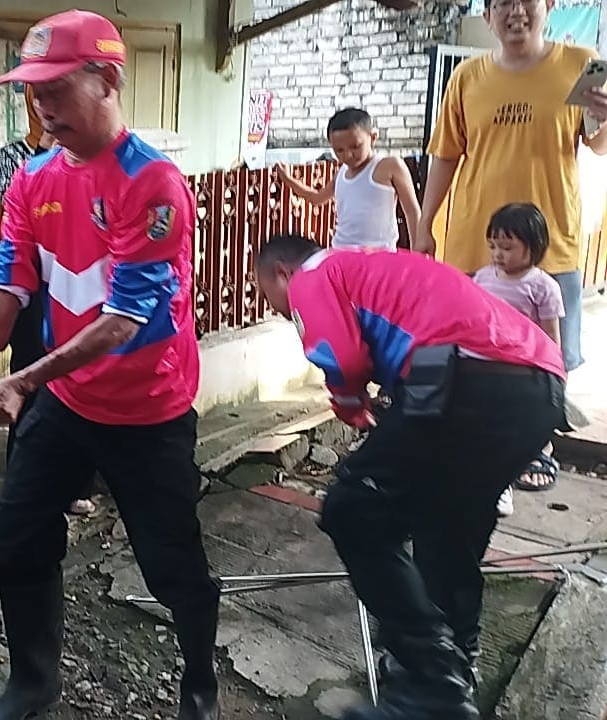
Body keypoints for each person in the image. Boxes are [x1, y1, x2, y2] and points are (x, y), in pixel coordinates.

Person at [0, 11, 221, 720]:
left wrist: (23, 379)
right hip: (68, 403)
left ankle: (199, 685)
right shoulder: (33, 180)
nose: (41, 107)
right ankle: (34, 680)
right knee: (17, 539)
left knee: (171, 567)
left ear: (107, 80)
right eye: (32, 93)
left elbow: (123, 321)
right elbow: (10, 283)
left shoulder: (152, 184)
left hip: (148, 409)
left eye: (56, 90)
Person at [255, 235, 566, 720]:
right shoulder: (373, 264)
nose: (281, 313)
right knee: (447, 533)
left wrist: (350, 405)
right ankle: (455, 673)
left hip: (471, 378)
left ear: (281, 274)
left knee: (353, 509)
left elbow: (343, 359)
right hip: (538, 387)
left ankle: (431, 678)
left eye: (273, 301)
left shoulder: (314, 273)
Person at [417, 0, 607, 374]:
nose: (516, 10)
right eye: (503, 2)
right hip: (475, 249)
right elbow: (444, 156)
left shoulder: (584, 64)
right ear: (487, 16)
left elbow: (597, 144)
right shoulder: (466, 77)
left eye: (527, 0)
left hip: (549, 248)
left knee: (550, 369)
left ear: (549, 6)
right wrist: (424, 225)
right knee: (470, 367)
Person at [0, 85, 96, 517]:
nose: (46, 110)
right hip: (32, 289)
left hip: (77, 291)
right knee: (28, 375)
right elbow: (12, 217)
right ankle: (24, 475)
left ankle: (76, 484)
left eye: (57, 99)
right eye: (37, 102)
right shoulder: (14, 159)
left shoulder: (98, 164)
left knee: (77, 380)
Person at [474, 203, 565, 512]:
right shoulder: (484, 278)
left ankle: (505, 485)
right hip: (484, 367)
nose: (498, 254)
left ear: (534, 246)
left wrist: (551, 375)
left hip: (522, 372)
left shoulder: (543, 287)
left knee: (511, 432)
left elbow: (551, 338)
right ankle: (487, 485)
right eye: (493, 247)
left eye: (508, 248)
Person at [275, 107, 421, 250]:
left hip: (379, 257)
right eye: (339, 150)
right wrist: (288, 179)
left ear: (373, 137)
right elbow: (317, 198)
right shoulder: (341, 173)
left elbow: (412, 211)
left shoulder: (389, 166)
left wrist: (418, 253)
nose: (347, 155)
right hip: (341, 254)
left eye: (355, 146)